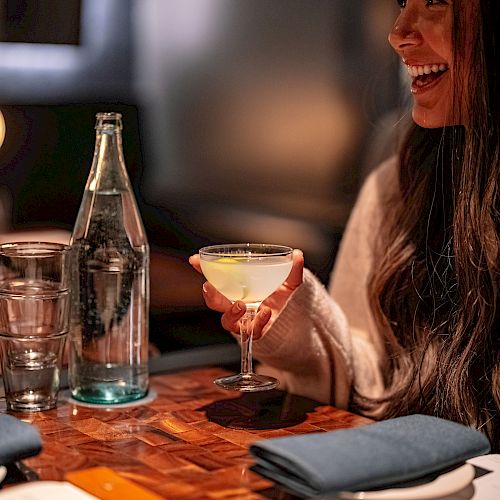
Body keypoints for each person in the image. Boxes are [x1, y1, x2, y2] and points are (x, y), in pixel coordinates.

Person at [190, 0, 499, 450]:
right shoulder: (397, 184)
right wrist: (299, 328)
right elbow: (381, 383)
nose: (398, 32)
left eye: (434, 1)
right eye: (401, 3)